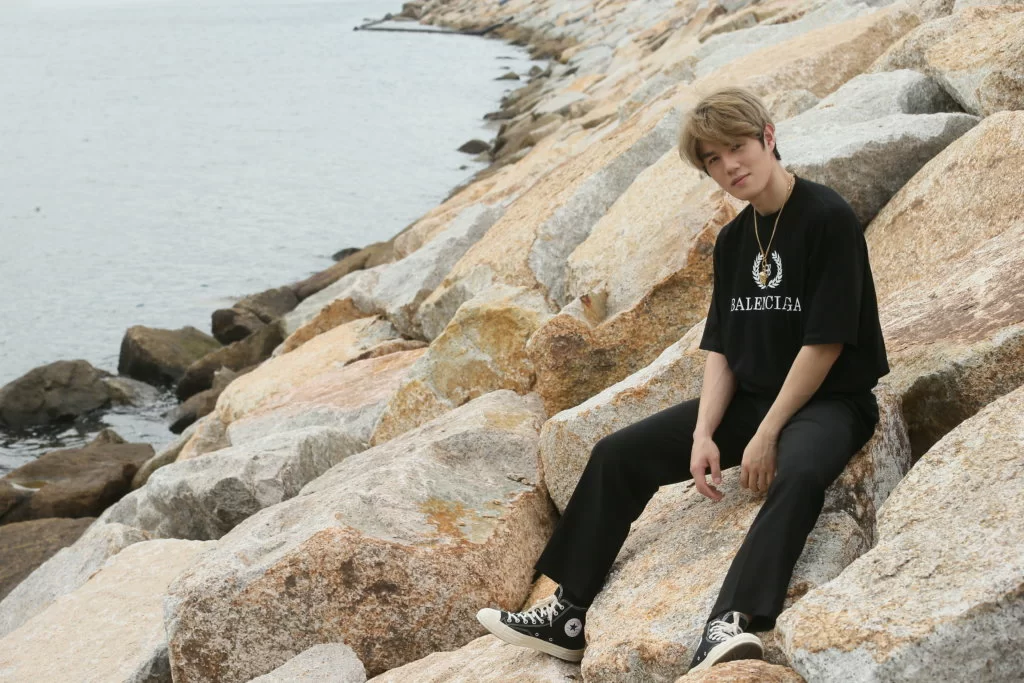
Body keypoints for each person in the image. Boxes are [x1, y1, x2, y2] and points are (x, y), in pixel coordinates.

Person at [476, 86, 890, 673]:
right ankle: (567, 614)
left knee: (797, 474)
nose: (730, 166)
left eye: (737, 147)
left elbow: (824, 344)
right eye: (713, 160)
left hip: (832, 402)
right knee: (618, 453)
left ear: (768, 137)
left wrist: (767, 433)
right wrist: (703, 433)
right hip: (754, 398)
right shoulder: (733, 240)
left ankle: (732, 621)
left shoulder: (827, 218)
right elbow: (721, 347)